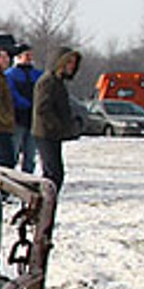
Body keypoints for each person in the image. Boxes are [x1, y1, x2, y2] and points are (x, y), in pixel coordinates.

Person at [30, 47, 83, 193]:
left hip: (52, 134)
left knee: (54, 174)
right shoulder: (48, 81)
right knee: (53, 174)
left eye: (74, 63)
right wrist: (58, 126)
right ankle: (43, 207)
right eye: (69, 62)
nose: (72, 66)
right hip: (46, 133)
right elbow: (43, 109)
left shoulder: (58, 82)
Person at [5, 46, 41, 172]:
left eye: (31, 55)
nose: (29, 58)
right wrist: (26, 103)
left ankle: (28, 178)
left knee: (30, 153)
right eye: (27, 55)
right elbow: (11, 93)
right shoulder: (10, 74)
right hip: (17, 117)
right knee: (13, 151)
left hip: (33, 119)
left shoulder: (37, 74)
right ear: (18, 57)